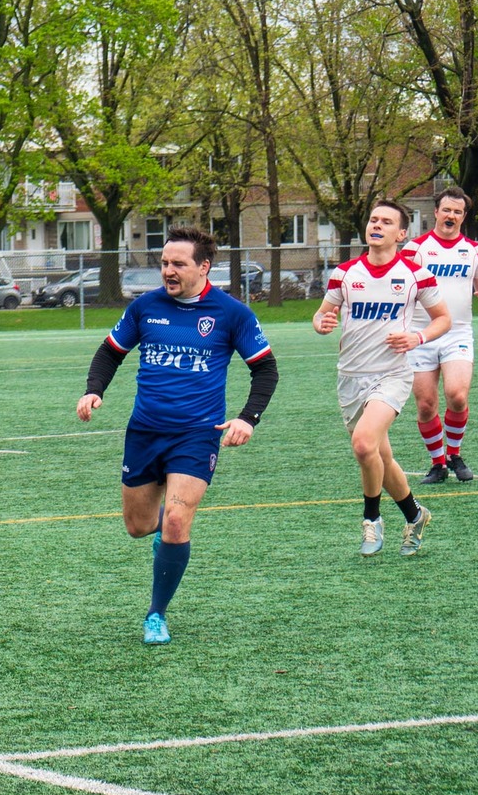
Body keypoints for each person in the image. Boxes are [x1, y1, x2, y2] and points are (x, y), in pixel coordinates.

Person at [77, 226, 280, 645]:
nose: (168, 271)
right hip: (145, 432)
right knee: (138, 528)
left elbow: (265, 369)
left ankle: (156, 614)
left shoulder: (231, 313)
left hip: (196, 434)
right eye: (164, 263)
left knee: (175, 520)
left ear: (204, 267)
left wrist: (247, 418)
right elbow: (110, 352)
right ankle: (165, 546)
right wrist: (94, 390)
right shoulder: (145, 308)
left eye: (178, 264)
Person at [315, 199, 452, 557]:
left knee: (363, 445)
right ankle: (415, 514)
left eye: (386, 221)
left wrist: (417, 338)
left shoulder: (415, 275)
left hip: (392, 375)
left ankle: (372, 519)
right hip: (350, 378)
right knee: (381, 457)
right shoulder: (344, 274)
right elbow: (321, 315)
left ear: (401, 233)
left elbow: (443, 319)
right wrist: (322, 323)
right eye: (373, 219)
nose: (376, 225)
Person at [407, 187, 478, 483]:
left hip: (457, 332)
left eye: (458, 212)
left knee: (457, 396)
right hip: (422, 334)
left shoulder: (474, 250)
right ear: (436, 212)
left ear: (463, 216)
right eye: (447, 210)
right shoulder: (415, 249)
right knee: (425, 405)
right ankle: (438, 464)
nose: (451, 216)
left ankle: (454, 454)